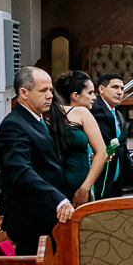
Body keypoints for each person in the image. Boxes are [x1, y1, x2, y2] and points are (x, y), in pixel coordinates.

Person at [0, 67, 74, 255]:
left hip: (46, 216)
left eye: (50, 90)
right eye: (43, 90)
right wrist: (58, 199)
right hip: (32, 219)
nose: (50, 96)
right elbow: (21, 172)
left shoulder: (37, 120)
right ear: (24, 93)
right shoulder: (14, 125)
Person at [91, 72, 133, 198]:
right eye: (114, 87)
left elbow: (123, 152)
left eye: (122, 88)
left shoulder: (120, 116)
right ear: (101, 89)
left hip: (115, 186)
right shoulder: (92, 110)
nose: (119, 92)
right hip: (96, 185)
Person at [51, 71, 108, 206]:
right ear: (75, 95)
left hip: (80, 187)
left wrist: (85, 188)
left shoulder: (83, 114)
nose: (94, 98)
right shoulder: (78, 112)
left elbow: (102, 153)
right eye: (89, 93)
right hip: (55, 187)